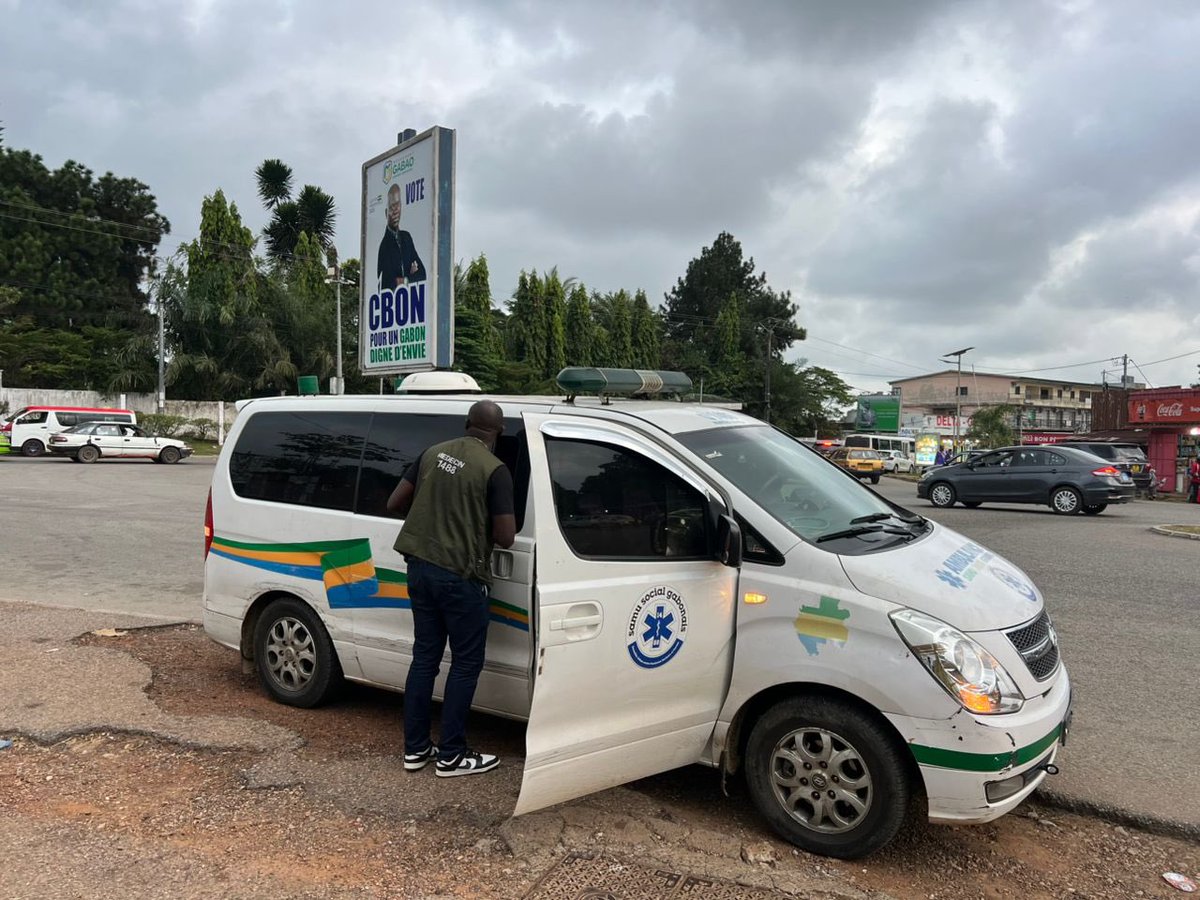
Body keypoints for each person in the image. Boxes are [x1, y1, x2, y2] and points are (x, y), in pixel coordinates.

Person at [386, 400, 515, 777]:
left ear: (466, 425)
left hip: (420, 569)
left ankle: (415, 750)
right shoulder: (496, 470)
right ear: (499, 433)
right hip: (460, 578)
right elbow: (506, 536)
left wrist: (435, 519)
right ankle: (452, 756)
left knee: (425, 658)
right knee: (465, 663)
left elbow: (395, 503)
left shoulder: (432, 453)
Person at [377, 183, 427, 290]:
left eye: (397, 204)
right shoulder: (384, 247)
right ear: (386, 213)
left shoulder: (406, 238)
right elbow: (387, 284)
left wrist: (403, 280)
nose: (395, 211)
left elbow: (422, 274)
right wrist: (410, 276)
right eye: (391, 207)